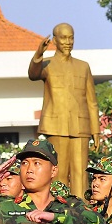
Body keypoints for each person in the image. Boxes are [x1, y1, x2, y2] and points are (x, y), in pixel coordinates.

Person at [28, 23, 100, 200]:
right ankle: (59, 210)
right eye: (63, 38)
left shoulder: (83, 66)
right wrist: (39, 53)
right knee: (58, 173)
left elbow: (92, 101)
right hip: (57, 125)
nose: (68, 42)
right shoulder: (47, 65)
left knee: (81, 174)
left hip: (81, 126)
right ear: (55, 40)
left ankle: (81, 213)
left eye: (71, 37)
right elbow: (33, 74)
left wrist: (96, 130)